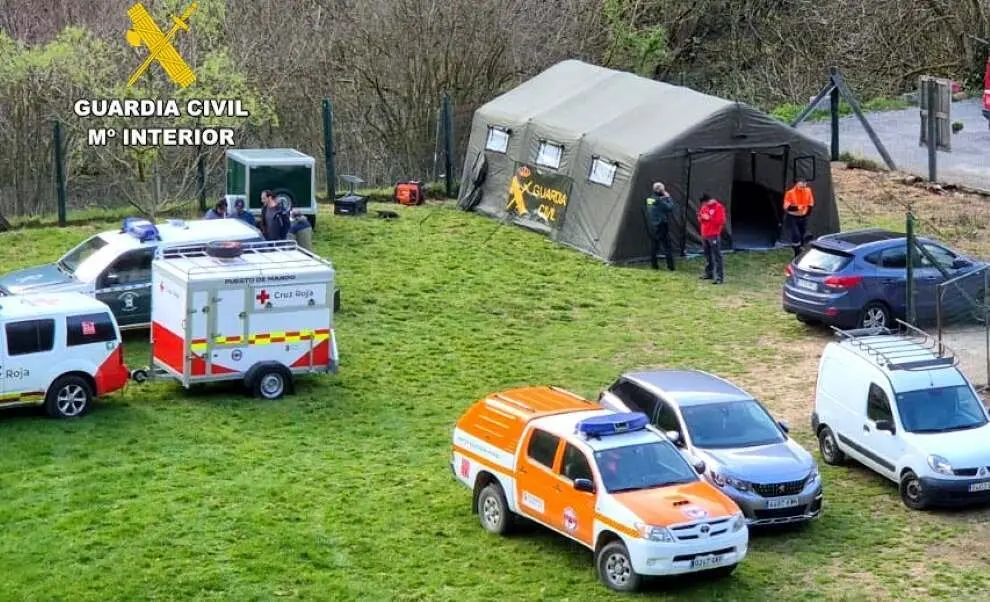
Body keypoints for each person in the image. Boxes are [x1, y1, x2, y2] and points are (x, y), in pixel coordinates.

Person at [644, 182, 675, 271]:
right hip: (662, 225)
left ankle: (654, 265)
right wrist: (668, 197)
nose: (664, 191)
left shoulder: (650, 199)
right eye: (663, 189)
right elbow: (670, 207)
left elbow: (656, 203)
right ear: (660, 190)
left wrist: (661, 198)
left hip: (653, 225)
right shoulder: (660, 201)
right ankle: (671, 267)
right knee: (667, 246)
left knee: (654, 246)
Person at [698, 193, 726, 284]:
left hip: (713, 234)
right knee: (707, 255)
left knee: (717, 256)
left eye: (704, 203)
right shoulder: (704, 207)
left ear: (708, 201)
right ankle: (709, 273)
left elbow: (720, 221)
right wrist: (701, 217)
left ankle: (719, 277)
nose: (703, 206)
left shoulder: (719, 207)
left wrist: (709, 218)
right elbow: (701, 217)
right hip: (704, 234)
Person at [782, 179, 815, 257]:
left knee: (802, 234)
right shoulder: (790, 193)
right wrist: (798, 207)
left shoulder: (808, 191)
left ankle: (801, 249)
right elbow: (786, 207)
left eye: (805, 182)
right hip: (793, 217)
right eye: (801, 182)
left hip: (803, 217)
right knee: (796, 235)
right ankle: (796, 252)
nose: (803, 184)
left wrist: (807, 212)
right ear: (796, 183)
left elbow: (811, 203)